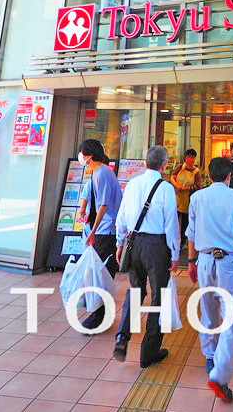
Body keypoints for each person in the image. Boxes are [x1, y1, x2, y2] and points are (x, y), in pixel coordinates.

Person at [186, 156, 233, 402]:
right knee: (230, 315)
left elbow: (191, 233)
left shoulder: (197, 198)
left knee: (208, 309)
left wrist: (191, 261)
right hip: (229, 262)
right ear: (229, 176)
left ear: (208, 175)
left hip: (204, 260)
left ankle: (209, 356)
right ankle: (220, 371)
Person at [114, 145, 180, 368]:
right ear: (164, 165)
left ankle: (122, 336)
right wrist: (175, 253)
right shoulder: (166, 188)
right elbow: (171, 224)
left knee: (135, 291)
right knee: (159, 297)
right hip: (156, 246)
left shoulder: (132, 184)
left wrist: (120, 243)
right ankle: (148, 352)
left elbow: (122, 216)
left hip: (134, 244)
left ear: (145, 163)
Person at [75, 139, 123, 330]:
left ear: (88, 155)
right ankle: (99, 313)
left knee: (102, 273)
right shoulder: (98, 172)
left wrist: (93, 231)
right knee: (98, 272)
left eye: (81, 153)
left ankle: (100, 315)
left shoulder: (102, 173)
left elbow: (104, 205)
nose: (80, 157)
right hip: (102, 230)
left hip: (106, 231)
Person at [171, 148, 202, 241]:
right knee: (174, 221)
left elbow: (198, 186)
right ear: (185, 158)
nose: (190, 160)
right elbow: (172, 177)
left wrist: (185, 188)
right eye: (188, 157)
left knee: (185, 223)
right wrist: (176, 186)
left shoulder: (196, 172)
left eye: (192, 158)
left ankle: (183, 241)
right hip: (176, 198)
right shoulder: (180, 167)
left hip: (188, 200)